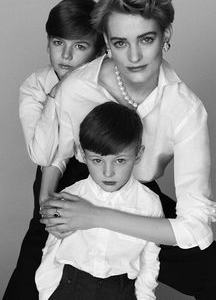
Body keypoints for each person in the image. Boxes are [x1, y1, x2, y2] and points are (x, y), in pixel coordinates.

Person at [39, 0, 216, 299]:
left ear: (165, 34)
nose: (133, 57)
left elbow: (194, 228)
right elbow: (54, 157)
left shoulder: (184, 108)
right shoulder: (76, 89)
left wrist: (97, 216)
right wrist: (48, 206)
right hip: (73, 189)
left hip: (136, 194)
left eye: (146, 39)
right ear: (106, 42)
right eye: (120, 42)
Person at [3, 0, 104, 300]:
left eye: (80, 46)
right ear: (48, 42)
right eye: (59, 43)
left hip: (106, 172)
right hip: (57, 171)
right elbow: (43, 153)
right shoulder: (35, 86)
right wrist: (58, 93)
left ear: (97, 50)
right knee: (36, 263)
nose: (67, 55)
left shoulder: (106, 82)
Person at [36, 102, 163, 300]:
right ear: (81, 154)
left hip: (120, 290)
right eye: (97, 160)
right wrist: (46, 293)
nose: (108, 172)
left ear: (138, 154)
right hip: (70, 287)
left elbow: (150, 259)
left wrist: (145, 296)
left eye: (120, 160)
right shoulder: (69, 196)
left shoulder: (149, 203)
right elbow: (51, 250)